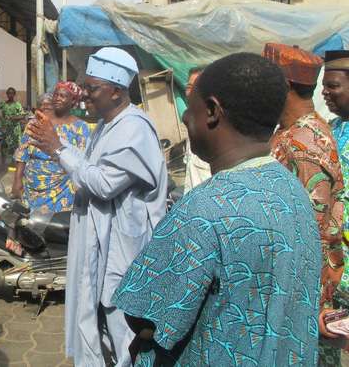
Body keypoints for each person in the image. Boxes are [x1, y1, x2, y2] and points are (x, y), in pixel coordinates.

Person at [112, 53, 321, 366]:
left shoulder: (205, 208)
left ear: (211, 111)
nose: (184, 117)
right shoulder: (293, 192)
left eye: (190, 104)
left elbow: (145, 318)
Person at [29, 47, 168, 366]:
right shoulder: (107, 124)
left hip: (122, 247)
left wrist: (58, 149)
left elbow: (103, 184)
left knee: (123, 327)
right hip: (100, 242)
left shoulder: (133, 127)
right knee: (98, 317)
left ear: (116, 91)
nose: (84, 96)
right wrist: (59, 148)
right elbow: (91, 168)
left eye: (92, 88)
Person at [263, 43, 345, 366]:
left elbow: (318, 231)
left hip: (303, 301)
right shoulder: (287, 133)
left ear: (282, 85)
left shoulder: (306, 142)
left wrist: (316, 306)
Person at [12, 82, 91, 214]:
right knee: (27, 225)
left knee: (54, 229)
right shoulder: (36, 123)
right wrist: (17, 180)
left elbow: (81, 161)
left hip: (63, 190)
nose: (58, 98)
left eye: (63, 96)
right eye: (56, 95)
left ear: (73, 101)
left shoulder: (81, 128)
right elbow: (22, 153)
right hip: (32, 188)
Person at [323, 51, 349, 334]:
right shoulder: (331, 129)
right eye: (324, 86)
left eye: (333, 86)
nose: (325, 92)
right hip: (335, 262)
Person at [183, 66, 211, 193]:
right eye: (189, 87)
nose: (191, 92)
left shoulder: (217, 127)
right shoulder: (191, 120)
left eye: (196, 87)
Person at [0, 87, 26, 161]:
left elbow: (22, 115)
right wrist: (0, 121)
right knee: (4, 145)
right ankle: (4, 162)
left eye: (12, 93)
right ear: (7, 94)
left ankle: (16, 162)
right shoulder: (3, 104)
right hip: (6, 129)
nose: (10, 95)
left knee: (16, 146)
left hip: (15, 130)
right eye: (8, 93)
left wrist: (13, 118)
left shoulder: (17, 104)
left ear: (14, 94)